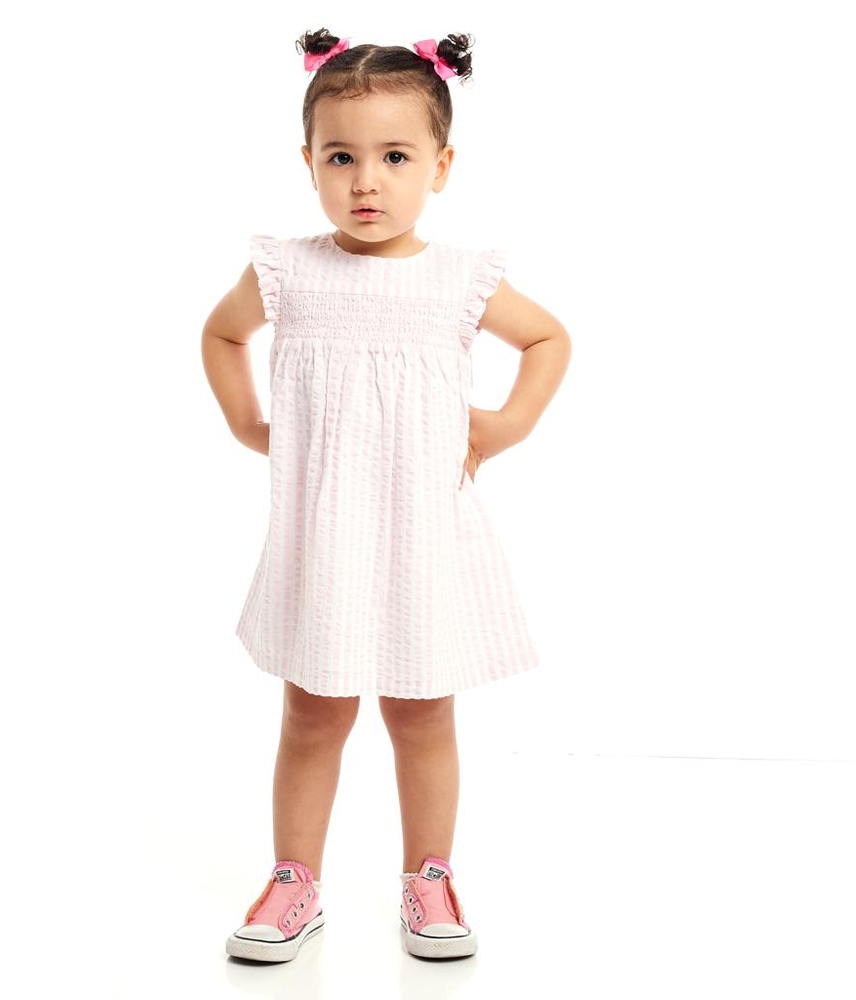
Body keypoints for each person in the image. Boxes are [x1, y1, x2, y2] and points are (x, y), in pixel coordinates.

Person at [202, 28, 571, 963]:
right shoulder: (287, 270)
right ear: (308, 162)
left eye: (395, 157)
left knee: (422, 714)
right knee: (313, 713)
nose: (367, 181)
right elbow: (221, 334)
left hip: (423, 540)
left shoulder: (458, 279)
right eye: (342, 157)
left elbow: (548, 339)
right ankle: (295, 881)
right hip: (323, 538)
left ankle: (429, 878)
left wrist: (504, 425)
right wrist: (248, 424)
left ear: (440, 167)